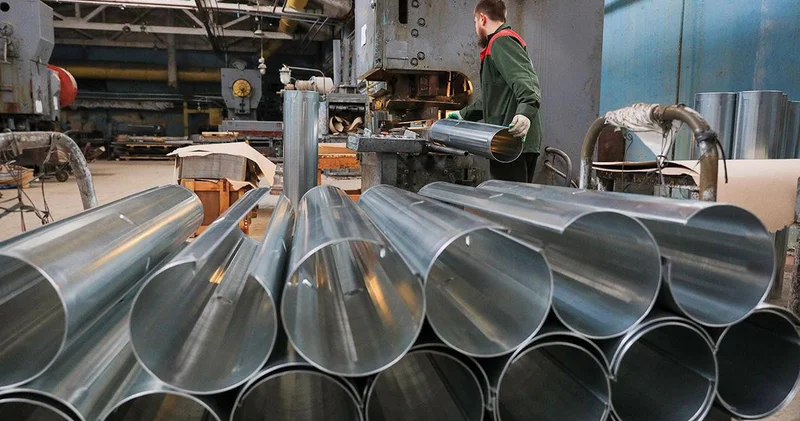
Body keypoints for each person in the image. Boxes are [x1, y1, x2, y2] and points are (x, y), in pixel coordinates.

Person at [447, 0, 543, 183]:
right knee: (512, 198)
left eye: (475, 22)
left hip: (511, 140)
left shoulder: (502, 41)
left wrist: (525, 113)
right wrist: (463, 114)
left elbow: (527, 82)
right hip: (509, 140)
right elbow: (494, 99)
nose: (476, 28)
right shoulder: (499, 44)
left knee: (508, 198)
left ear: (482, 19)